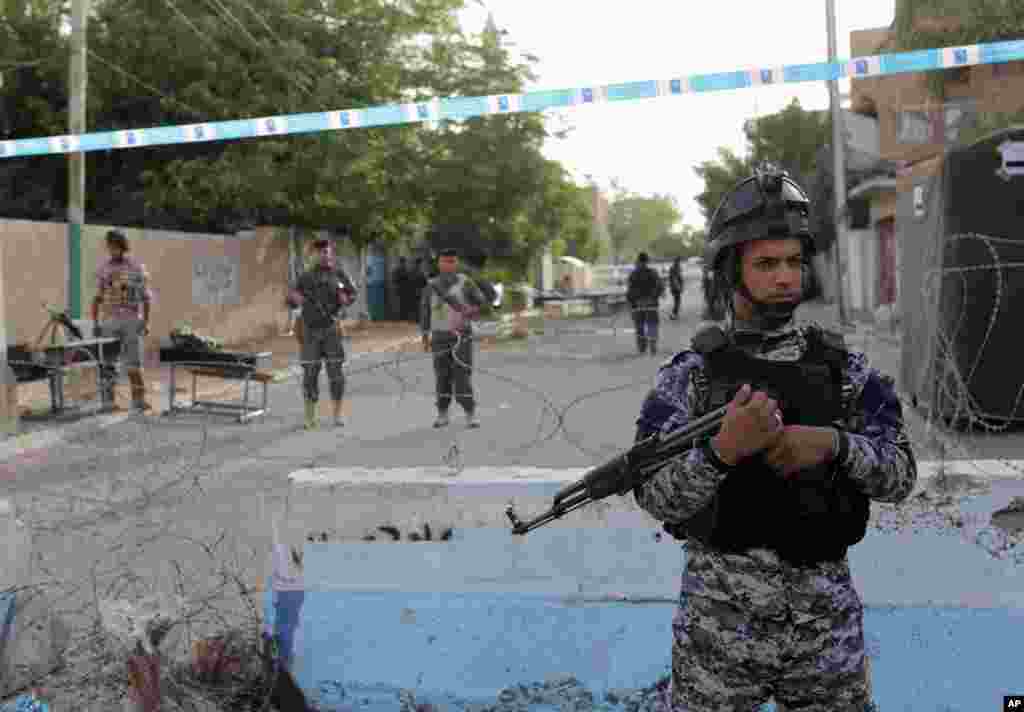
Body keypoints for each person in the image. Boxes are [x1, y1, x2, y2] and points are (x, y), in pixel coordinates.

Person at [632, 165, 915, 711]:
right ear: (729, 272)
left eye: (792, 262)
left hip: (823, 634)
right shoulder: (690, 376)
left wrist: (834, 445)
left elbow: (901, 475)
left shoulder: (846, 372)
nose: (785, 277)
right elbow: (653, 494)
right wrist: (720, 453)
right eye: (766, 264)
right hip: (719, 632)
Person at [287, 239, 358, 430]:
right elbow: (290, 299)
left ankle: (337, 415)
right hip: (310, 331)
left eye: (327, 252)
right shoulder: (305, 276)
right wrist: (294, 298)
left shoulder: (340, 274)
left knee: (336, 374)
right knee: (310, 373)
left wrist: (347, 299)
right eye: (320, 252)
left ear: (331, 254)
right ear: (314, 255)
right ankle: (310, 417)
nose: (324, 255)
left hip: (332, 330)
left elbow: (353, 293)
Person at [419, 247, 487, 429]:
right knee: (442, 377)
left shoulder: (466, 283)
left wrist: (472, 311)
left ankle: (470, 414)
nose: (448, 265)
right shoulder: (431, 285)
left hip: (461, 336)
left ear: (456, 263)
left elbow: (481, 301)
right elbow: (425, 311)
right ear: (439, 263)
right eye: (444, 261)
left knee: (462, 377)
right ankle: (442, 414)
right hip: (439, 337)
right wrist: (424, 335)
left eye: (452, 261)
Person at [91, 229, 154, 412]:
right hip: (110, 321)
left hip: (131, 320)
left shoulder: (136, 267)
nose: (112, 249)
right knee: (108, 363)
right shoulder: (104, 269)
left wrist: (146, 322)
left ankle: (138, 400)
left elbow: (146, 297)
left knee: (134, 363)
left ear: (123, 246)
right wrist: (96, 323)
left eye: (116, 245)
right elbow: (98, 298)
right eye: (110, 245)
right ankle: (108, 403)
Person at [626, 252, 665, 355]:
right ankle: (652, 343)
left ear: (638, 261)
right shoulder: (653, 272)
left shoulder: (633, 274)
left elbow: (630, 290)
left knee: (639, 326)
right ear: (647, 261)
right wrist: (655, 297)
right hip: (651, 304)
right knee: (652, 324)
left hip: (638, 305)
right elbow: (660, 286)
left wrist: (631, 303)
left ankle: (642, 347)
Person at [392, 256, 413, 322]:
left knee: (402, 305)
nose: (404, 264)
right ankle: (400, 318)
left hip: (402, 290)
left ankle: (402, 318)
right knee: (400, 305)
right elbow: (395, 280)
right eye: (403, 262)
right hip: (400, 290)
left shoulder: (403, 270)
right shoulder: (399, 270)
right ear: (402, 262)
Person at [668, 256, 684, 320]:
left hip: (674, 287)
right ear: (677, 261)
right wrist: (679, 287)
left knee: (677, 301)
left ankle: (674, 314)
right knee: (677, 301)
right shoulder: (674, 268)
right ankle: (673, 314)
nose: (679, 263)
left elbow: (678, 277)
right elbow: (674, 279)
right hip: (675, 288)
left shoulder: (675, 267)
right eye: (679, 261)